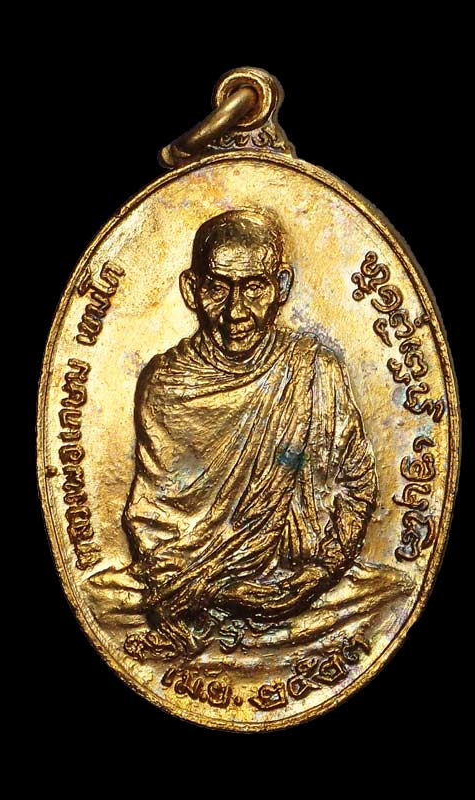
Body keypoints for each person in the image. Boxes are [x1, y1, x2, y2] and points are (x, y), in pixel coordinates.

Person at [118, 208, 378, 658]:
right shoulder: (167, 385)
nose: (236, 312)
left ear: (281, 286)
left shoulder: (314, 371)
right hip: (194, 592)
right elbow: (153, 520)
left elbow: (358, 487)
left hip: (309, 585)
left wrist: (318, 573)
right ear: (191, 289)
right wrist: (217, 591)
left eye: (254, 287)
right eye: (217, 288)